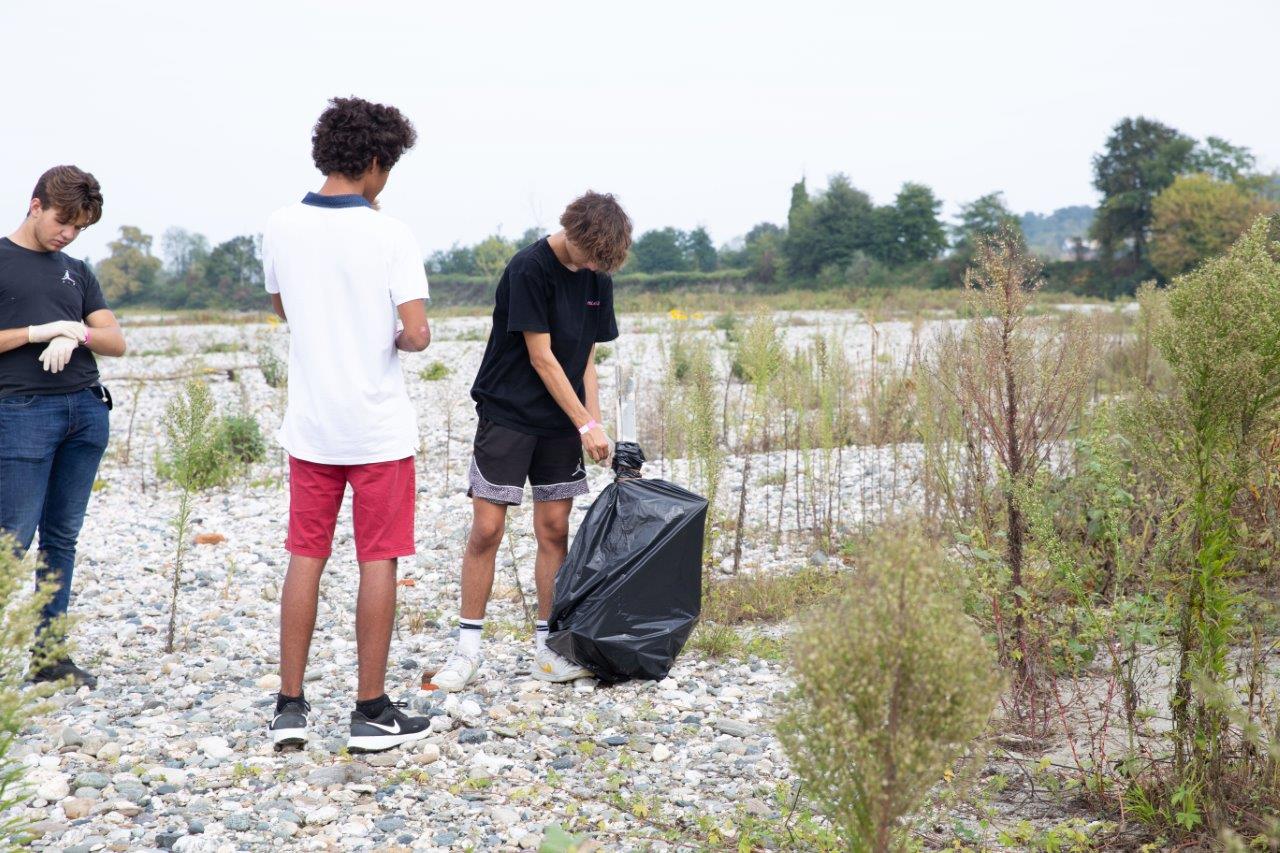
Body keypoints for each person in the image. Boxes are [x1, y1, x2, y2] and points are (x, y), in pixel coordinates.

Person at [262, 96, 433, 753]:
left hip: (311, 426)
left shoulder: (280, 224)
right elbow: (414, 332)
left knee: (306, 554)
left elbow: (285, 306)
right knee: (377, 558)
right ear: (372, 162)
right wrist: (396, 334)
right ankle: (370, 710)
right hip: (377, 429)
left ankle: (290, 706)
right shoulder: (391, 234)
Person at [434, 192, 632, 692]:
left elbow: (583, 357)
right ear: (574, 234)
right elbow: (542, 357)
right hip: (509, 414)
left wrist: (596, 423)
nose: (592, 266)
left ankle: (548, 648)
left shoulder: (597, 277)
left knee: (554, 527)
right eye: (590, 255)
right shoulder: (529, 268)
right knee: (487, 527)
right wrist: (584, 422)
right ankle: (467, 651)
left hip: (561, 420)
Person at [0, 165, 127, 689]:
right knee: (12, 540)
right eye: (62, 221)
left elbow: (116, 339)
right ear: (35, 205)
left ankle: (49, 657)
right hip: (22, 412)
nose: (68, 234)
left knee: (61, 539)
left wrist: (77, 334)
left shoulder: (75, 269)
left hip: (85, 409)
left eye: (79, 227)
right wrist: (40, 331)